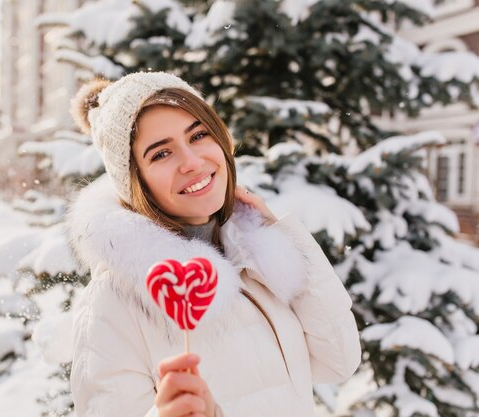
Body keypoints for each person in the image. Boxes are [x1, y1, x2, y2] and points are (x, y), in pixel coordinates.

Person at [66, 71, 361, 417]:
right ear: (135, 182)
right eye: (160, 154)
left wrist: (281, 237)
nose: (191, 162)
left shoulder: (252, 261)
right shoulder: (113, 303)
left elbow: (339, 361)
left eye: (199, 135)